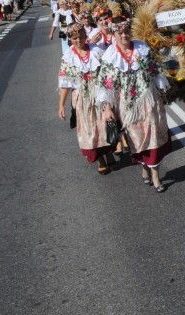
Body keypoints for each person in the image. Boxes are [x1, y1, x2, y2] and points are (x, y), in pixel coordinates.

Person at [97, 17, 172, 192]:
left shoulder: (142, 48)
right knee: (137, 139)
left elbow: (155, 71)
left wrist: (162, 92)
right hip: (128, 106)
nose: (124, 35)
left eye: (127, 31)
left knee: (154, 135)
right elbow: (106, 85)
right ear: (114, 34)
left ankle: (155, 174)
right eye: (120, 32)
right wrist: (107, 108)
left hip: (149, 99)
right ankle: (145, 166)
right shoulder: (110, 56)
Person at [57, 24, 113, 175]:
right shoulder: (68, 58)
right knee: (90, 130)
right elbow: (65, 83)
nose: (79, 40)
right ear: (70, 39)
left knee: (104, 125)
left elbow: (108, 72)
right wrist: (61, 105)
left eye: (81, 37)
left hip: (100, 93)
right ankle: (100, 160)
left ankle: (107, 151)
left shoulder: (96, 51)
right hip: (83, 98)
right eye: (74, 38)